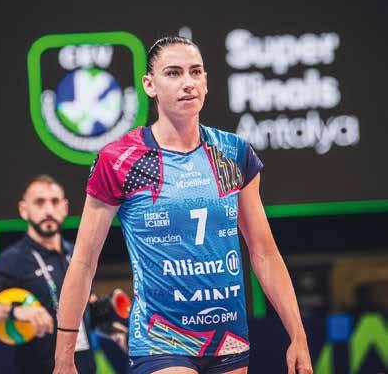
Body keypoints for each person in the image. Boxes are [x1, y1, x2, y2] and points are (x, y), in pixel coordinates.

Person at [54, 36, 313, 374]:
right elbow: (84, 262)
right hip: (160, 339)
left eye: (195, 72)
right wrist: (64, 356)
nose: (188, 82)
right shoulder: (120, 160)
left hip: (229, 337)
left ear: (206, 81)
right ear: (149, 85)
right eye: (173, 73)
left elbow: (264, 252)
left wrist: (298, 335)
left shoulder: (234, 153)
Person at [0, 175, 96, 374]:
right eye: (40, 202)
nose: (48, 210)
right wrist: (15, 311)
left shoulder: (76, 256)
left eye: (55, 202)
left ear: (65, 208)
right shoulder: (13, 259)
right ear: (24, 210)